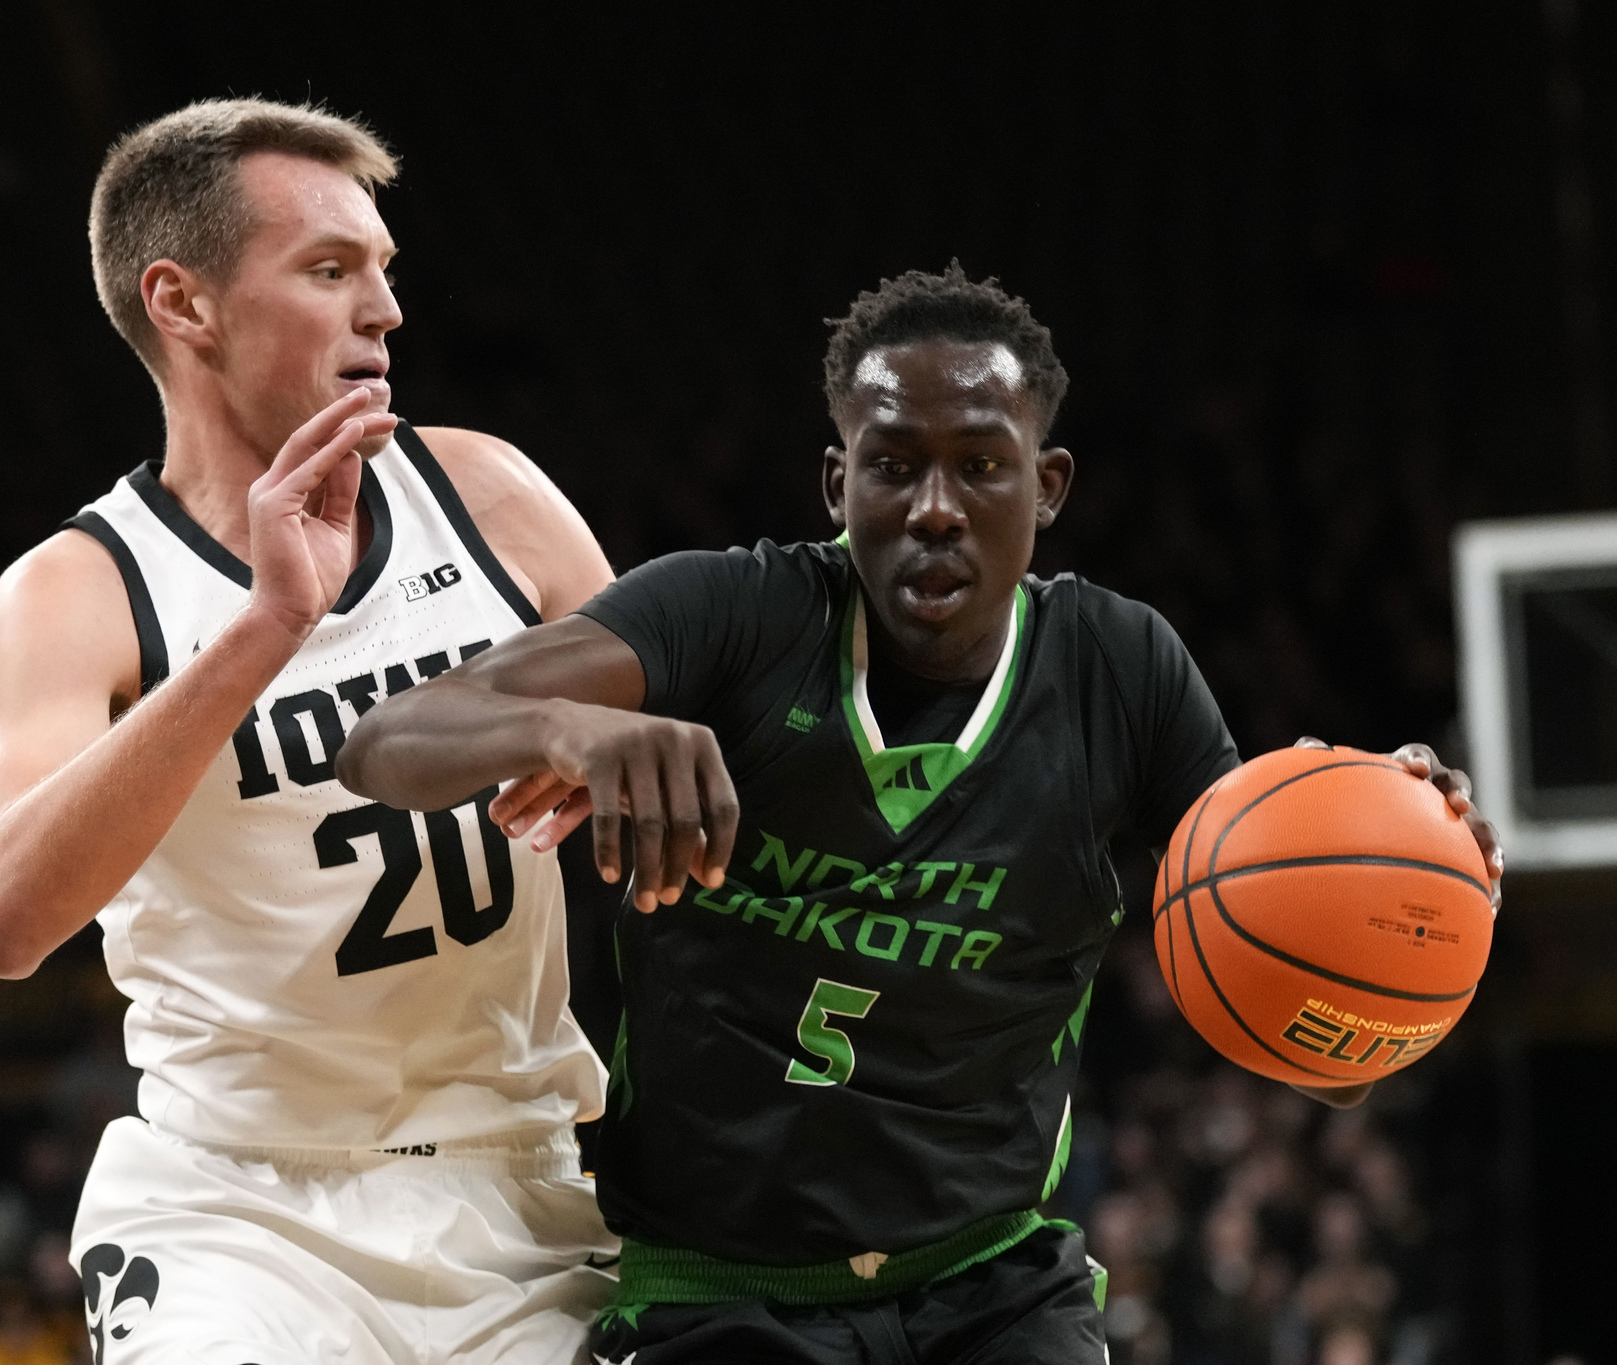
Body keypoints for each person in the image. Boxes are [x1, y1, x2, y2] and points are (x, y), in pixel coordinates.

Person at [336, 264, 1502, 1364]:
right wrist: (564, 728)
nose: (934, 508)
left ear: (1045, 487)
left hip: (991, 1284)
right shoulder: (734, 615)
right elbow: (383, 741)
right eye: (892, 466)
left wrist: (1387, 890)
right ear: (836, 485)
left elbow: (1308, 1048)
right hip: (717, 1291)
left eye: (979, 467)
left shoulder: (1120, 668)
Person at [0, 98, 617, 1363]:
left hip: (520, 1175)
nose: (384, 310)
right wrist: (262, 631)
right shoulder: (79, 589)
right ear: (182, 303)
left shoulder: (488, 495)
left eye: (382, 271)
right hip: (236, 1207)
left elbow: (700, 764)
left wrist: (628, 756)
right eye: (329, 271)